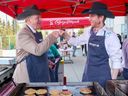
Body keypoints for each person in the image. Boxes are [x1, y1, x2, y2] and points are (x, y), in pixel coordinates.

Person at [60, 2, 122, 87]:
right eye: (89, 16)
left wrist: (112, 83)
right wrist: (65, 35)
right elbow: (76, 41)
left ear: (101, 17)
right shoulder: (88, 31)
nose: (89, 18)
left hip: (103, 78)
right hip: (88, 75)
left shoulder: (111, 36)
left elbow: (116, 61)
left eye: (92, 16)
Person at [13, 5, 61, 83]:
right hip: (28, 74)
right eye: (37, 18)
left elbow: (39, 50)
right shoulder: (23, 33)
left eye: (40, 17)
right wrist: (52, 36)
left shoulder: (35, 32)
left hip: (39, 70)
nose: (40, 20)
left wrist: (46, 61)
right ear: (28, 20)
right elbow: (37, 50)